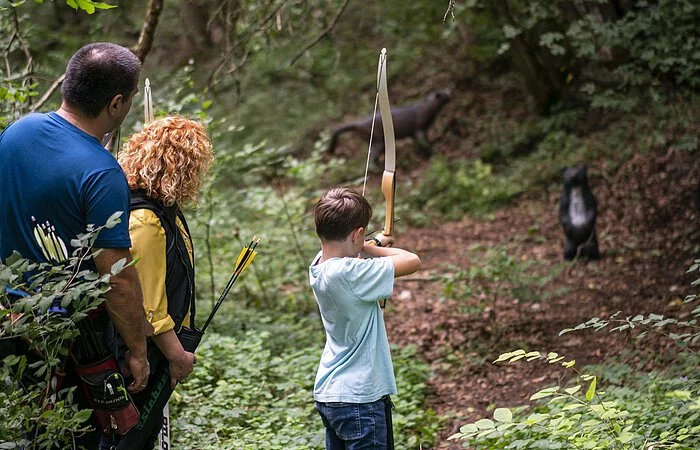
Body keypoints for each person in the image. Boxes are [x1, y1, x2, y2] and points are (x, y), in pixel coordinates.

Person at [0, 42, 150, 446]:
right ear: (117, 103)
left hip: (12, 323)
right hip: (72, 338)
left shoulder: (17, 132)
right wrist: (137, 350)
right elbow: (117, 279)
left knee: (30, 432)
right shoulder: (101, 173)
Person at [105, 116, 214, 450]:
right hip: (139, 354)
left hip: (148, 351)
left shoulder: (160, 211)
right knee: (130, 439)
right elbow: (150, 307)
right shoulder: (146, 221)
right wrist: (178, 356)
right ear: (181, 168)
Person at [309, 187, 422, 450]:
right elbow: (412, 261)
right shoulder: (351, 273)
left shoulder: (319, 265)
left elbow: (347, 254)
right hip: (360, 398)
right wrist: (374, 248)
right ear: (358, 234)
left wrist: (370, 244)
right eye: (362, 234)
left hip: (331, 395)